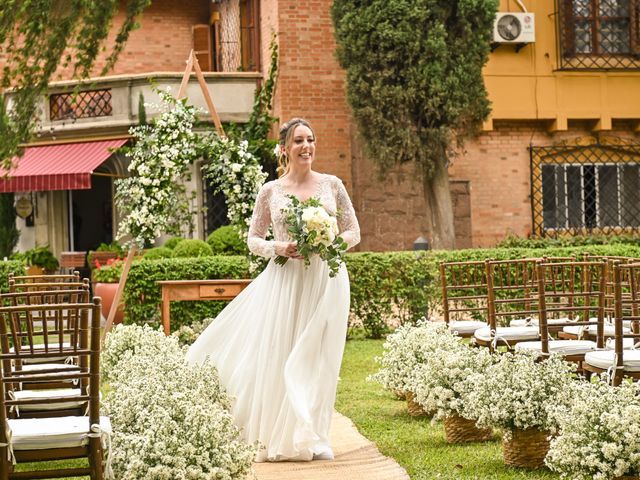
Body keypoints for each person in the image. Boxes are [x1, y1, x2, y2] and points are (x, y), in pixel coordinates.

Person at [186, 118, 361, 462]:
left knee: (320, 357)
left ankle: (315, 435)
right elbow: (253, 239)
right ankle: (279, 434)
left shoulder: (332, 184)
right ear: (285, 149)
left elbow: (353, 231)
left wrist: (329, 245)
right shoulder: (271, 191)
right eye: (298, 141)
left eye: (310, 139)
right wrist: (278, 248)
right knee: (284, 354)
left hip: (326, 280)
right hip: (285, 282)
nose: (306, 146)